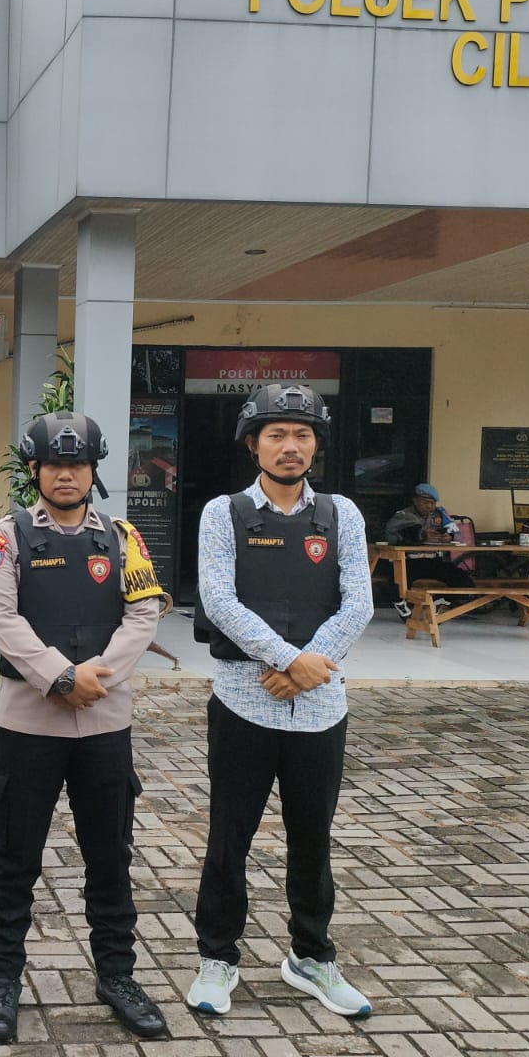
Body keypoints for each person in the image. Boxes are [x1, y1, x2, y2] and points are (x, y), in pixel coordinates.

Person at [0, 411, 170, 1045]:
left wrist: (95, 677)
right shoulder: (6, 536)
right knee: (15, 858)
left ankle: (117, 975)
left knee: (110, 857)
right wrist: (61, 676)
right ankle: (2, 979)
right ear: (35, 470)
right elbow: (0, 619)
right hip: (29, 725)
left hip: (105, 723)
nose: (66, 474)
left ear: (92, 470)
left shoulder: (122, 536)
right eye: (54, 464)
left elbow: (143, 614)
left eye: (77, 464)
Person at [188, 383, 374, 1020]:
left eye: (301, 435)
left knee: (312, 839)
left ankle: (311, 956)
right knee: (228, 837)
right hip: (243, 701)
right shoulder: (223, 513)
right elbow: (219, 601)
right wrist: (288, 659)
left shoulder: (343, 515)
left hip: (320, 707)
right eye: (276, 434)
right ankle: (217, 957)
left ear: (316, 445)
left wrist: (305, 667)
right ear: (253, 444)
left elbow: (359, 603)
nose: (289, 446)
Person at [383, 483, 475, 599]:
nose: (429, 506)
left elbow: (457, 534)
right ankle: (405, 605)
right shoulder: (404, 516)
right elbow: (392, 537)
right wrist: (421, 536)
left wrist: (450, 537)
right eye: (425, 502)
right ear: (415, 501)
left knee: (461, 578)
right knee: (398, 580)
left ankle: (445, 602)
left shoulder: (440, 515)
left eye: (432, 503)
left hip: (433, 561)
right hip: (410, 562)